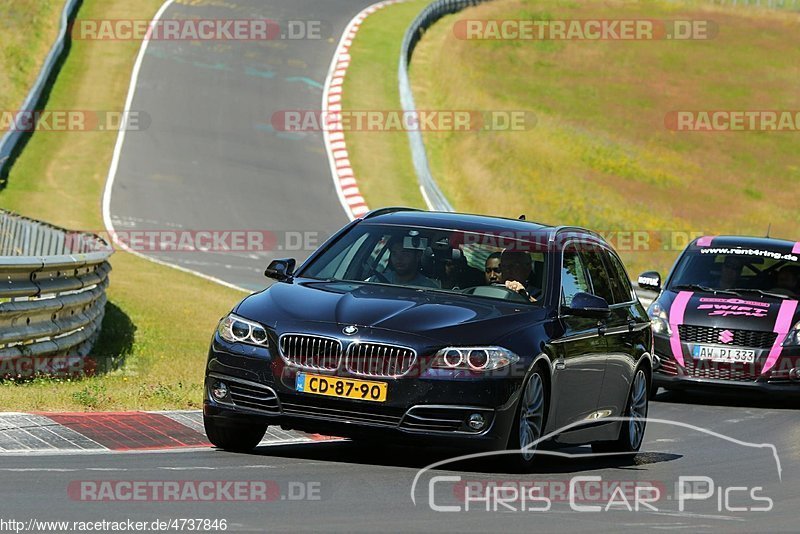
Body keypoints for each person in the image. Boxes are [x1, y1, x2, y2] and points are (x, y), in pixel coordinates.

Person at [369, 238, 439, 289]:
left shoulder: (428, 289)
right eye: (394, 253)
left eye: (405, 253)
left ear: (418, 256)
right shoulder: (376, 281)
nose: (399, 259)